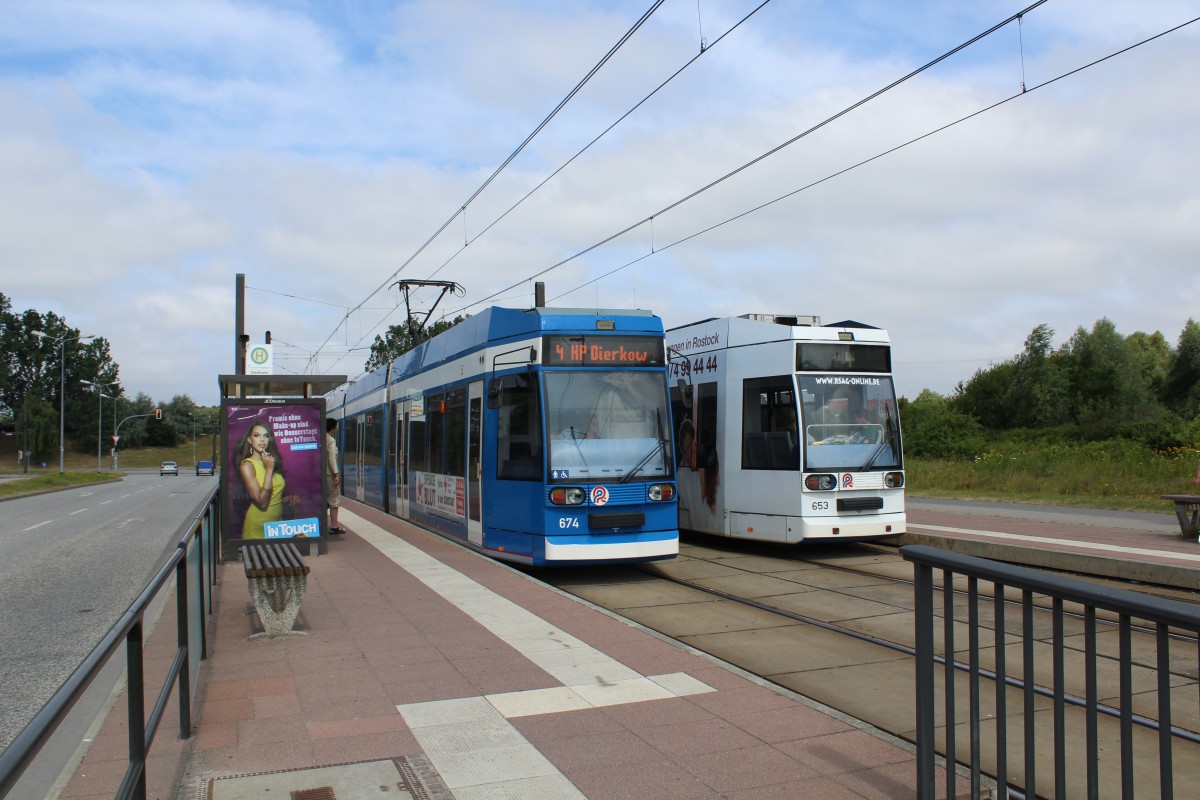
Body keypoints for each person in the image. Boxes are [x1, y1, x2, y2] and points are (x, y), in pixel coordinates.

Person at [237, 420, 294, 539]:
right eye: (256, 435)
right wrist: (269, 470)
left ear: (270, 439)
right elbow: (262, 503)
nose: (262, 439)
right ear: (249, 440)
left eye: (266, 436)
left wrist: (286, 499)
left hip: (276, 525)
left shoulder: (271, 461)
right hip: (258, 526)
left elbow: (273, 493)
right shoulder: (247, 465)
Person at [325, 417, 344, 534]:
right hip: (329, 475)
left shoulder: (321, 438)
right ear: (332, 427)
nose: (336, 429)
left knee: (326, 499)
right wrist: (336, 473)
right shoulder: (331, 440)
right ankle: (334, 526)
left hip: (323, 474)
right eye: (336, 427)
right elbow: (332, 457)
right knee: (334, 500)